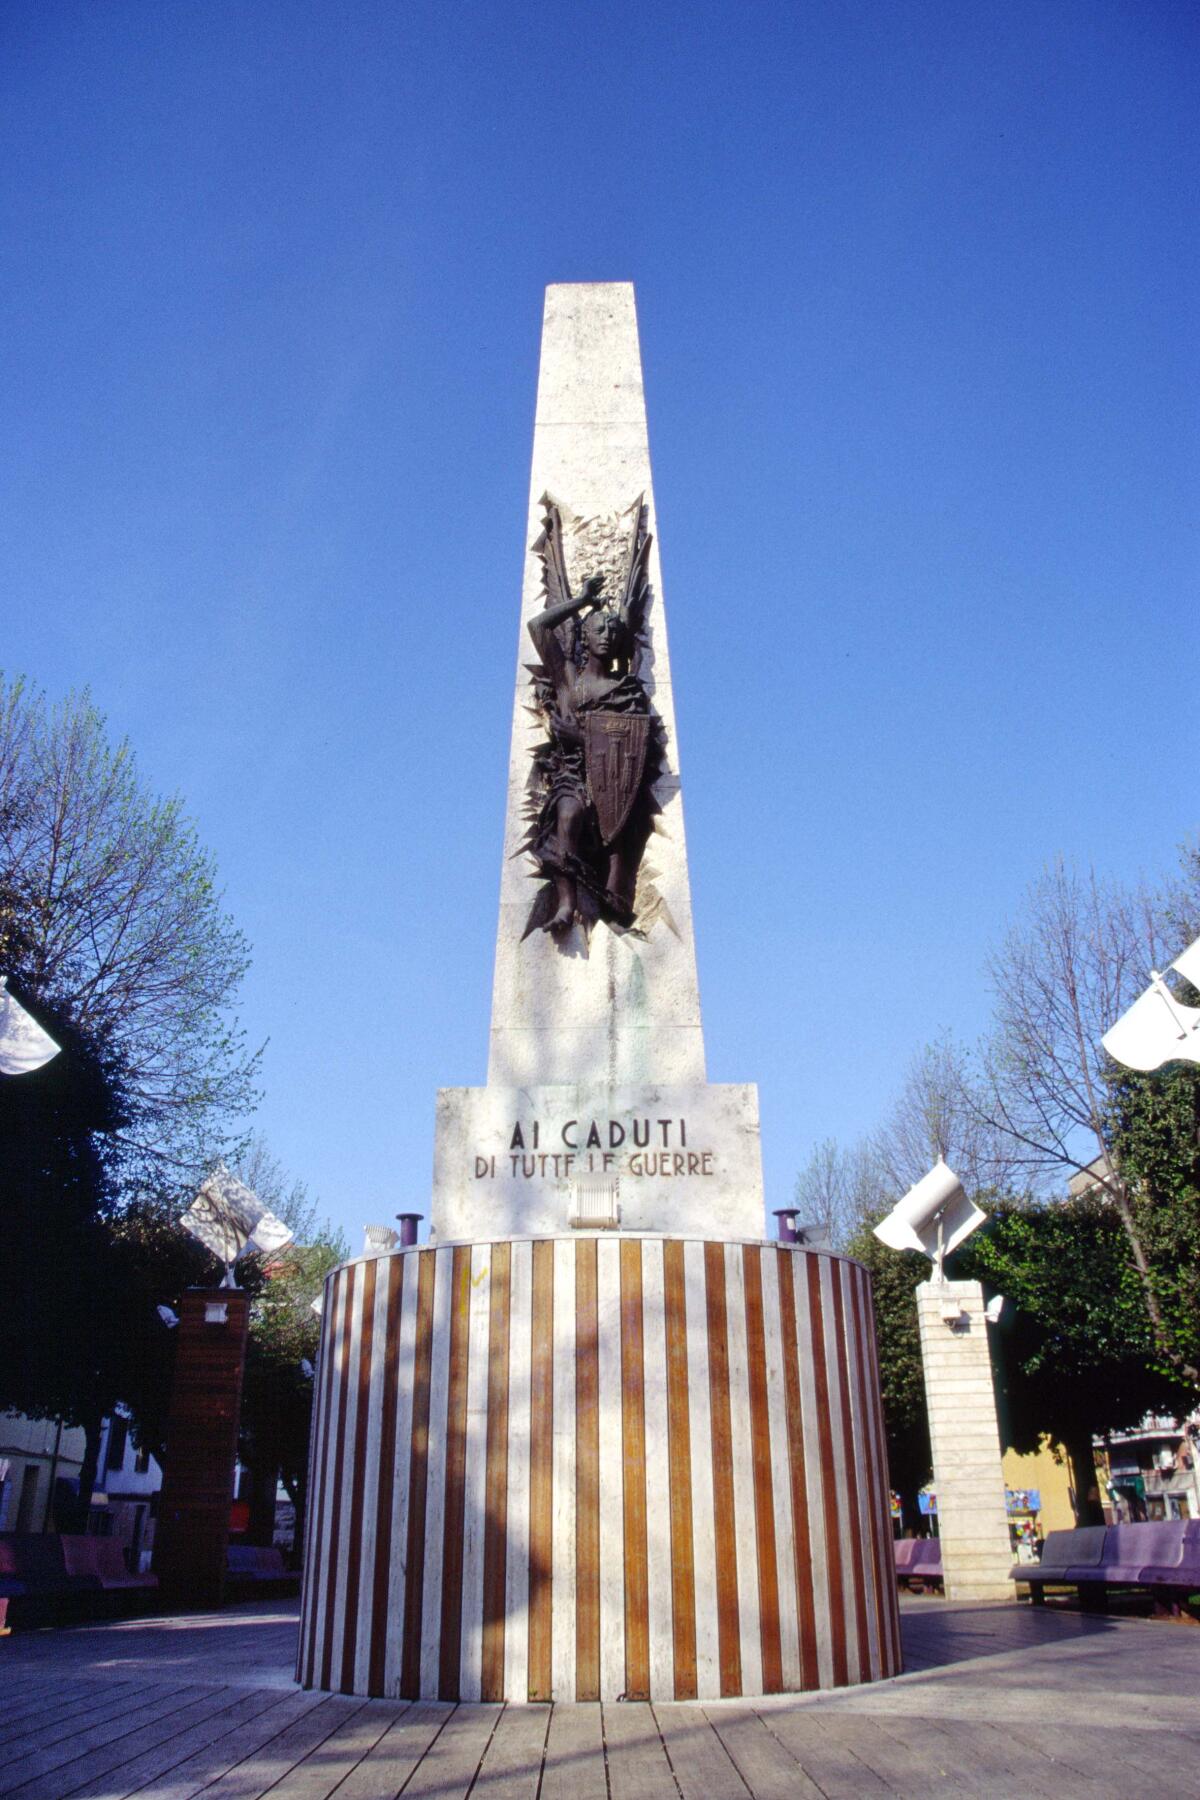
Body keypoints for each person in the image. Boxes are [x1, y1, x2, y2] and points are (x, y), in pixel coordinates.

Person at [527, 574, 653, 933]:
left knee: (622, 836)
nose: (607, 637)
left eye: (614, 632)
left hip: (614, 780)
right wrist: (582, 602)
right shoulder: (569, 679)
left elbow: (636, 742)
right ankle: (566, 902)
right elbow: (538, 626)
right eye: (599, 630)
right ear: (585, 635)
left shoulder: (626, 689)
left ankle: (614, 912)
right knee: (569, 816)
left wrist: (584, 737)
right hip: (572, 775)